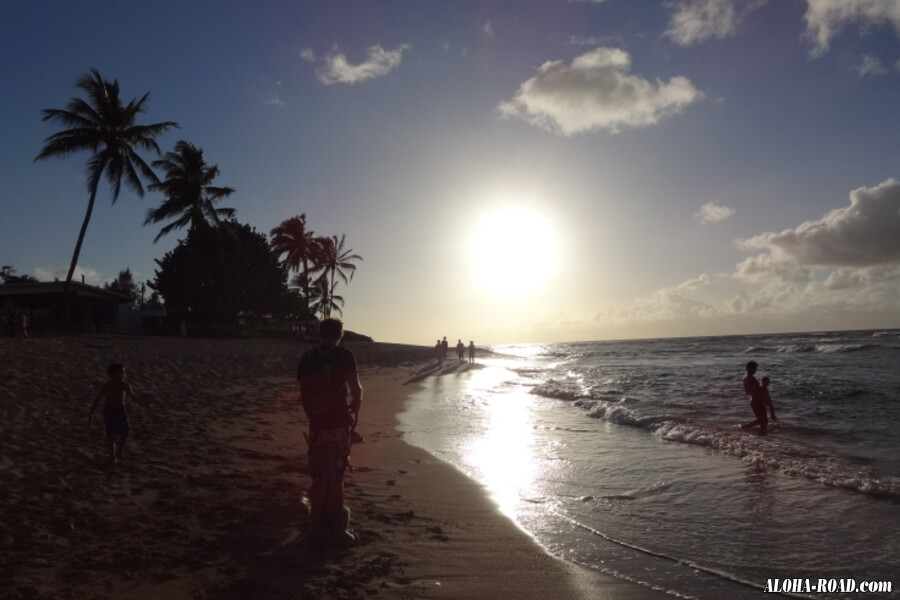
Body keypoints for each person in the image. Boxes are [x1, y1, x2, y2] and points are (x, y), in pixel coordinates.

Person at [297, 317, 363, 547]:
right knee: (336, 478)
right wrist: (356, 401)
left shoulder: (307, 358)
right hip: (337, 424)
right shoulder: (344, 355)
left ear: (320, 333)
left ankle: (314, 529)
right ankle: (338, 531)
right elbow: (356, 390)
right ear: (340, 334)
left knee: (319, 477)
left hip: (316, 424)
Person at [88, 363, 136, 463]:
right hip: (109, 411)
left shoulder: (125, 385)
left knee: (125, 433)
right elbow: (98, 399)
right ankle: (112, 456)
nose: (123, 374)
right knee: (111, 435)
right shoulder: (106, 386)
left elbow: (133, 398)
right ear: (112, 374)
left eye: (124, 372)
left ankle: (119, 452)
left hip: (121, 410)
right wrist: (91, 412)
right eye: (120, 372)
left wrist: (142, 401)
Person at [741, 361, 770, 435]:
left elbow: (749, 391)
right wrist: (763, 387)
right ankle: (748, 428)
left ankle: (747, 427)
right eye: (754, 368)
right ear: (749, 368)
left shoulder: (746, 378)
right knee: (763, 420)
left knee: (762, 420)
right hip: (757, 402)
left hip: (754, 401)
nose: (756, 370)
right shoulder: (751, 379)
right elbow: (755, 392)